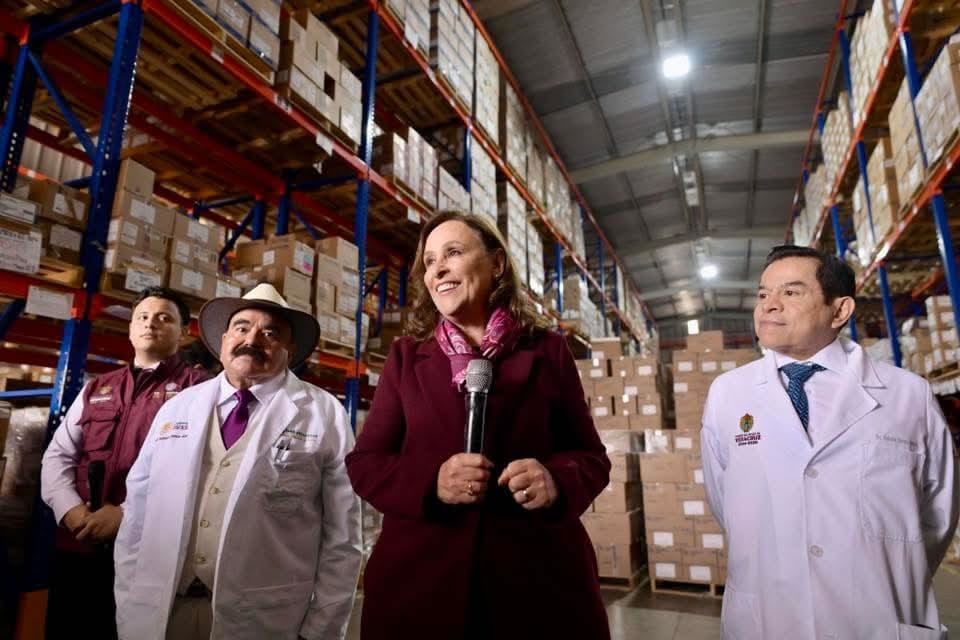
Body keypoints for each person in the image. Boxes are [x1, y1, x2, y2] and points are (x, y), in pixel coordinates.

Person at [346, 211, 611, 639]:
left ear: (497, 263)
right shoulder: (406, 357)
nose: (438, 269)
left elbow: (591, 457)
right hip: (421, 587)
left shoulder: (548, 351)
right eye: (429, 261)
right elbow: (366, 463)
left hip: (534, 585)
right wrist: (432, 483)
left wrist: (556, 480)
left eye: (453, 253)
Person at [701, 245, 959, 639]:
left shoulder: (908, 395)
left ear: (839, 310)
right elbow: (724, 501)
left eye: (791, 292)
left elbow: (938, 514)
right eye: (763, 293)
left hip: (876, 616)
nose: (769, 305)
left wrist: (882, 567)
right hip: (769, 615)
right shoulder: (728, 394)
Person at [114, 283, 361, 640]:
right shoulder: (178, 408)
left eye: (270, 333)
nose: (252, 339)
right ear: (224, 339)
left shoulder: (324, 414)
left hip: (263, 621)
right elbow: (136, 514)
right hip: (163, 613)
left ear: (290, 350)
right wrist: (129, 603)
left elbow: (343, 536)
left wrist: (321, 631)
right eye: (242, 327)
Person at [40, 286, 207, 639]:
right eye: (142, 317)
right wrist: (71, 510)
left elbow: (199, 471)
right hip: (79, 542)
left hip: (147, 551)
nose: (151, 324)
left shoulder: (199, 391)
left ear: (184, 332)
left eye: (164, 318)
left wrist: (126, 514)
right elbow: (58, 456)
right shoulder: (98, 388)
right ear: (130, 328)